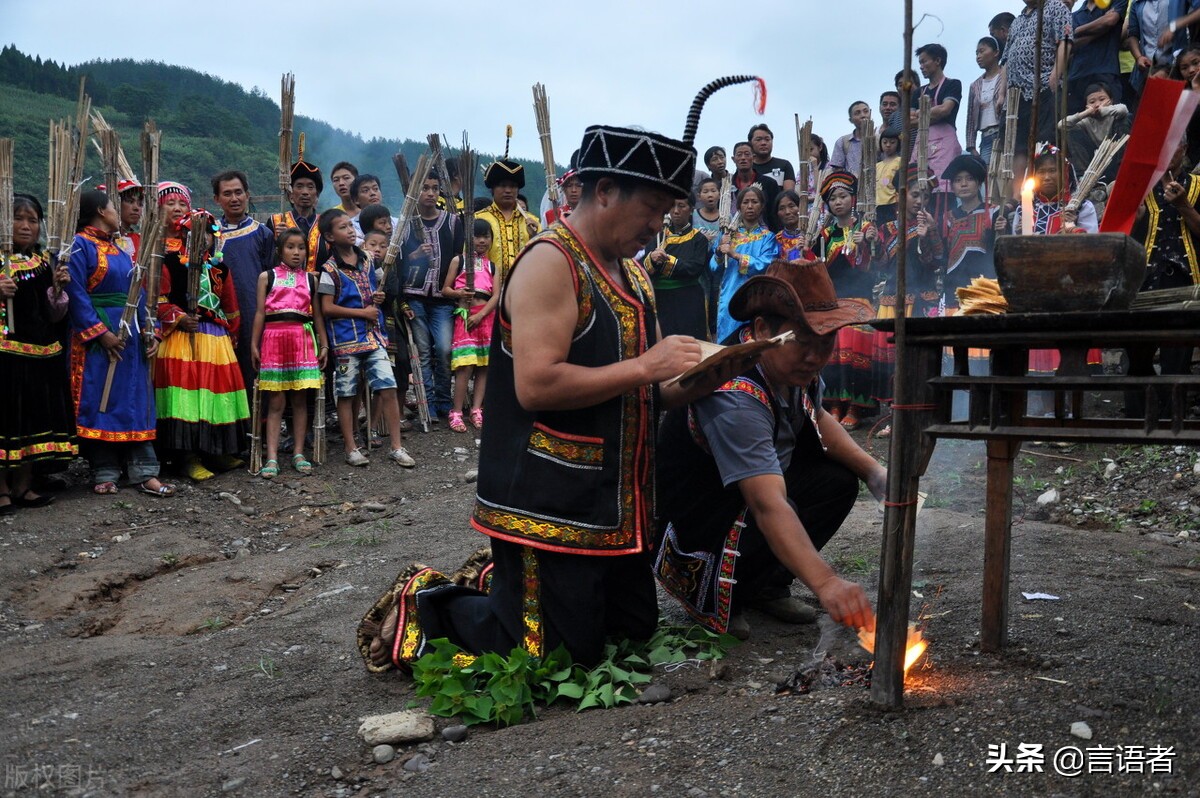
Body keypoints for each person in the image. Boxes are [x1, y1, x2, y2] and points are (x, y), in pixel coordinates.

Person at [357, 75, 769, 674]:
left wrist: (712, 373)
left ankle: (509, 584)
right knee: (551, 656)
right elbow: (536, 384)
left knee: (628, 632)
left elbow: (652, 386)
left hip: (616, 501)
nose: (659, 226)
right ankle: (428, 604)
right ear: (604, 191)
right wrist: (647, 366)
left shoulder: (635, 273)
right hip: (547, 492)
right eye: (651, 211)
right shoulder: (552, 262)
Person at [655, 258, 882, 641]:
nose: (815, 357)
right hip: (701, 524)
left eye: (825, 343)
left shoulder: (792, 365)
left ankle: (765, 586)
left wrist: (875, 472)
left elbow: (818, 415)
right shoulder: (734, 394)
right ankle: (718, 594)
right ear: (762, 330)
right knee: (781, 505)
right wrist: (826, 583)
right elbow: (767, 504)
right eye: (803, 343)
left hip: (749, 493)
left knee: (838, 482)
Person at [64, 190, 173, 497]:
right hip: (99, 341)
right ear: (101, 210)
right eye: (114, 205)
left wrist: (151, 330)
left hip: (130, 335)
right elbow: (75, 294)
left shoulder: (121, 250)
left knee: (135, 400)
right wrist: (101, 333)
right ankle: (105, 470)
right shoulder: (79, 245)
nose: (117, 210)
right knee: (102, 401)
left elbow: (136, 293)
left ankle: (145, 471)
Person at [153, 188, 250, 481]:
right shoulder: (169, 262)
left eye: (207, 233)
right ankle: (188, 457)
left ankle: (217, 452)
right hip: (182, 340)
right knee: (188, 399)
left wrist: (231, 336)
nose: (202, 239)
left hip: (215, 342)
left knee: (216, 399)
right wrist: (180, 318)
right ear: (184, 236)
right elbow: (158, 299)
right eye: (195, 234)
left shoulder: (220, 268)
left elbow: (231, 307)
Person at [316, 208, 414, 468]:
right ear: (329, 236)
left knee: (388, 387)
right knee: (347, 394)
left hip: (374, 337)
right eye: (342, 227)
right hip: (346, 342)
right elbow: (326, 308)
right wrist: (363, 311)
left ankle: (396, 446)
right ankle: (351, 447)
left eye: (351, 225)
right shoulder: (329, 269)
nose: (350, 230)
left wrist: (379, 298)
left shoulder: (369, 260)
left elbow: (380, 288)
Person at [0, 194, 76, 514]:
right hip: (6, 354)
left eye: (33, 220)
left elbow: (55, 315)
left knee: (33, 419)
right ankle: (1, 489)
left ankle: (23, 485)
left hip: (42, 353)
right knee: (7, 420)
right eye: (19, 218)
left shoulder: (46, 261)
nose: (26, 226)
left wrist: (59, 291)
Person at [1126, 134, 1199, 416]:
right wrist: (1136, 218)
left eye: (1174, 145)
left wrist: (1184, 205)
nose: (1167, 151)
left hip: (1183, 279)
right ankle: (1135, 417)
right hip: (1142, 279)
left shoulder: (1197, 185)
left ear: (1185, 149)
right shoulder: (1138, 187)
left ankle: (1171, 417)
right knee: (1136, 349)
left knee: (1176, 352)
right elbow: (1118, 235)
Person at [251, 228, 329, 478]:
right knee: (276, 401)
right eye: (290, 247)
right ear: (279, 251)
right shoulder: (267, 277)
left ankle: (298, 452)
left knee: (299, 399)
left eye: (301, 247)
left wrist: (324, 344)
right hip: (274, 338)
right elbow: (260, 313)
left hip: (302, 339)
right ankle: (272, 457)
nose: (297, 252)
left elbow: (317, 314)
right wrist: (254, 344)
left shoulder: (311, 279)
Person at [807, 170, 879, 430]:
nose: (838, 202)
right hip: (834, 303)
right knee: (834, 354)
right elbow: (814, 267)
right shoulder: (825, 236)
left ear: (853, 199)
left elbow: (878, 263)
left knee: (855, 352)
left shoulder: (866, 228)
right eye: (832, 199)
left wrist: (869, 243)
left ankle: (856, 406)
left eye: (842, 196)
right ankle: (834, 404)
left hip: (860, 301)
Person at [391, 174, 463, 421]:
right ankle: (428, 404)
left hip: (443, 299)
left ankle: (445, 400)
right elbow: (395, 264)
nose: (430, 193)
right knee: (421, 352)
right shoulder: (405, 225)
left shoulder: (453, 223)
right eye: (425, 188)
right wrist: (413, 255)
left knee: (443, 349)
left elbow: (458, 259)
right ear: (415, 192)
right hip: (415, 297)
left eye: (435, 188)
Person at [212, 171, 276, 392]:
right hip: (220, 314)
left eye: (238, 192)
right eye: (227, 194)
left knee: (255, 365)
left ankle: (259, 423)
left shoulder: (263, 233)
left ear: (247, 195)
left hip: (254, 311)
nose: (234, 198)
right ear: (217, 199)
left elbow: (272, 277)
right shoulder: (211, 236)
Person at [1004, 0, 1074, 176]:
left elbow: (1065, 42)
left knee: (1045, 140)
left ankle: (1043, 186)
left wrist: (1055, 74)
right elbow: (1006, 58)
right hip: (1015, 95)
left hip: (1043, 87)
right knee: (1017, 145)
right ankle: (1018, 194)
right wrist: (1001, 93)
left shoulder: (1056, 8)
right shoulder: (1017, 20)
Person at [441, 219, 498, 433]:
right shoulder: (459, 260)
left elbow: (496, 296)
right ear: (468, 238)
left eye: (486, 236)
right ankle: (456, 412)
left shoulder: (492, 266)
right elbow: (445, 289)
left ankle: (476, 409)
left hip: (486, 317)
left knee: (484, 366)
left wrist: (482, 314)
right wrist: (459, 294)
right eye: (477, 236)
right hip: (465, 317)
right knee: (465, 366)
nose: (482, 240)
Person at [713, 185, 781, 342]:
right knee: (728, 345)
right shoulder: (727, 236)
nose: (750, 206)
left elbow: (767, 265)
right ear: (738, 207)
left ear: (762, 206)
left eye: (755, 202)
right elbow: (713, 268)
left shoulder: (768, 237)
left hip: (757, 296)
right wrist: (719, 251)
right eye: (745, 202)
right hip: (730, 295)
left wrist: (735, 255)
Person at [643, 194, 711, 340]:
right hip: (660, 298)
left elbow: (694, 269)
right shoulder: (658, 236)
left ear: (691, 210)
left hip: (687, 299)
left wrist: (667, 262)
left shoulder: (698, 239)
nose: (676, 211)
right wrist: (652, 259)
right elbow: (643, 265)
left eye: (681, 206)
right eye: (673, 206)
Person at [476, 144, 541, 283]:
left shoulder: (532, 221)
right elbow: (469, 257)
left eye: (512, 186)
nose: (508, 190)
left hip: (524, 288)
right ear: (492, 189)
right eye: (502, 185)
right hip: (487, 290)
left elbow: (543, 257)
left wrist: (535, 236)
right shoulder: (479, 219)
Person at [911, 43, 964, 194]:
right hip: (922, 144)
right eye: (920, 62)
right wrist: (934, 115)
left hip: (945, 144)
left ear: (938, 61)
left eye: (924, 61)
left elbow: (946, 109)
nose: (921, 66)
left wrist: (921, 113)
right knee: (917, 183)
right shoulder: (919, 92)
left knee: (944, 188)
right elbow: (910, 121)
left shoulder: (952, 84)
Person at [1059, 82, 1130, 181]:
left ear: (1111, 100)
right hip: (1096, 160)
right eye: (1092, 102)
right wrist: (1085, 113)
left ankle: (1125, 168)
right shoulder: (1087, 121)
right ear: (1086, 105)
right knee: (1072, 131)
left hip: (1116, 157)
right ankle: (1083, 177)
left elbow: (1123, 110)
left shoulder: (1115, 113)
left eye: (1102, 99)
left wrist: (1103, 110)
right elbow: (1061, 125)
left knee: (1125, 120)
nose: (1097, 104)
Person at [268, 149, 324, 271]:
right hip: (284, 288)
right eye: (299, 186)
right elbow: (267, 259)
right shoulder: (276, 221)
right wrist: (278, 241)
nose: (305, 192)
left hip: (318, 287)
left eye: (310, 187)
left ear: (317, 195)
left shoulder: (325, 224)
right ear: (290, 195)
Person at [1069, 1, 1128, 113]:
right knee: (1078, 125)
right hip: (1077, 76)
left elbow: (1110, 21)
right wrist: (1102, 28)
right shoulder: (1073, 15)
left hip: (1106, 72)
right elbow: (1070, 44)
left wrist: (1077, 30)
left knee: (1111, 122)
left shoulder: (1117, 2)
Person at [966, 36, 1008, 164]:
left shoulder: (1006, 77)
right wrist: (971, 146)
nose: (978, 56)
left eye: (982, 51)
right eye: (977, 53)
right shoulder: (975, 85)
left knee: (1006, 174)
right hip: (986, 137)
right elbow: (970, 118)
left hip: (1005, 133)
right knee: (989, 177)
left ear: (996, 52)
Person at [732, 141, 780, 229]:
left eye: (747, 154)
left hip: (764, 234)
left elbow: (774, 214)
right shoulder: (727, 186)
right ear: (733, 159)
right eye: (739, 155)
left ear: (753, 157)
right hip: (733, 235)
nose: (743, 158)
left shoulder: (768, 183)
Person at [829, 101, 873, 179]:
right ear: (851, 120)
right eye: (857, 113)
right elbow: (837, 169)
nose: (863, 115)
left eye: (866, 111)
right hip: (850, 185)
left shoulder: (879, 140)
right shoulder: (843, 142)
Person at [748, 123, 796, 192]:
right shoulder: (747, 170)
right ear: (750, 143)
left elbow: (789, 196)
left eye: (767, 139)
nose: (763, 143)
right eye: (758, 140)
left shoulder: (784, 165)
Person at [876, 126, 902, 226]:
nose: (888, 145)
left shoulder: (900, 161)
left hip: (893, 204)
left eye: (892, 142)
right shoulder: (877, 166)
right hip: (877, 206)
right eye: (885, 142)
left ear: (898, 144)